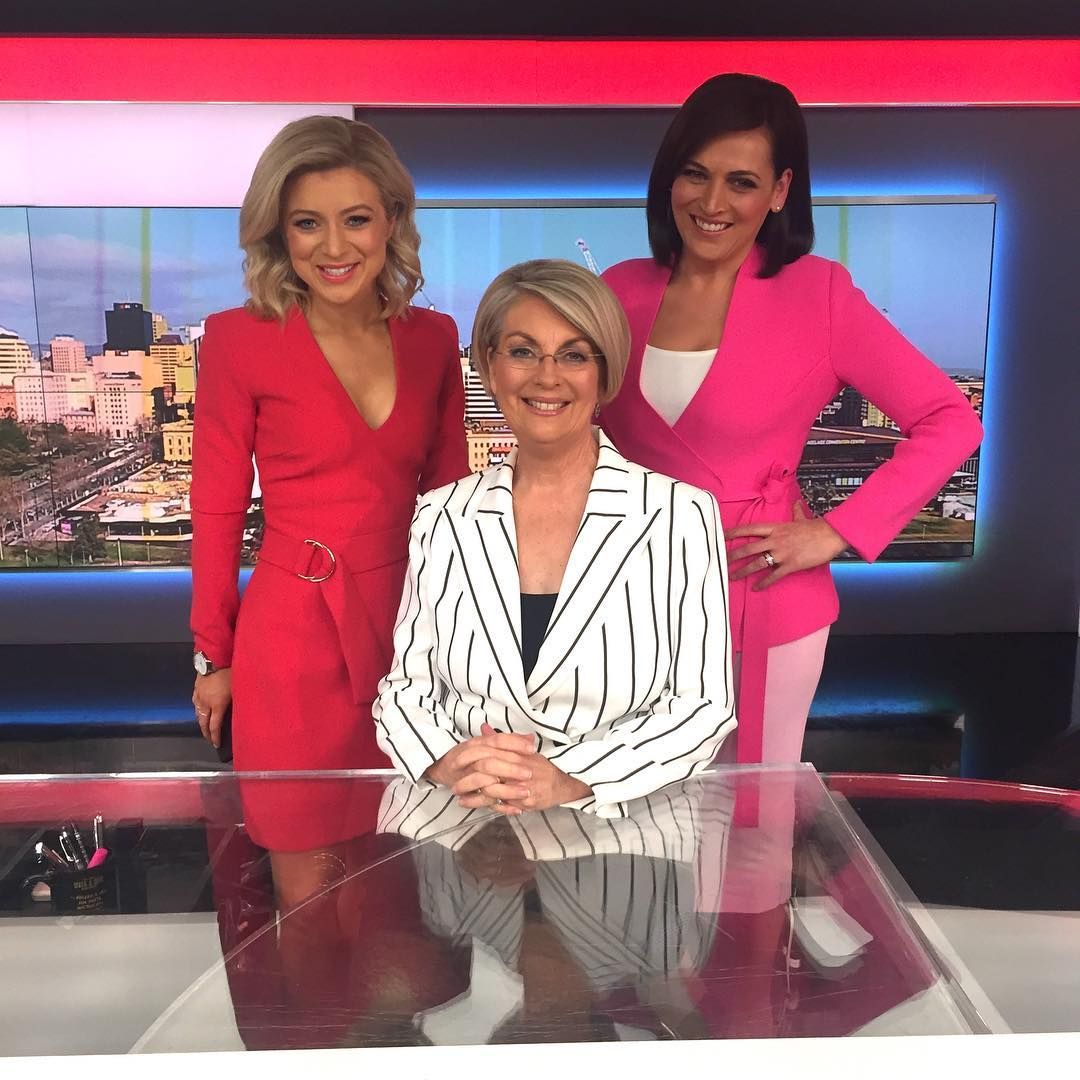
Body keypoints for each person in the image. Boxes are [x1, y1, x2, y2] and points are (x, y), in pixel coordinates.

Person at [599, 73, 984, 766]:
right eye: (695, 174)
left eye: (741, 182)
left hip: (760, 590)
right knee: (632, 799)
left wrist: (835, 531)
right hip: (629, 595)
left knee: (754, 807)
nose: (712, 203)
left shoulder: (819, 293)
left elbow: (950, 419)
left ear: (779, 191)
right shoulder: (617, 289)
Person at [190, 116, 468, 864]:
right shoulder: (238, 339)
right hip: (290, 639)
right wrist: (214, 657)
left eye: (356, 220)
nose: (334, 247)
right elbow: (216, 509)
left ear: (392, 221)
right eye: (307, 223)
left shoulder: (435, 338)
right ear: (279, 232)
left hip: (414, 635)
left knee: (408, 877)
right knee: (304, 879)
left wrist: (468, 644)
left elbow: (452, 503)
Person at [373, 259, 736, 818]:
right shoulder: (441, 515)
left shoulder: (679, 515)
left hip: (622, 834)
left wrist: (570, 780)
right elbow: (406, 692)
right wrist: (450, 762)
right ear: (490, 367)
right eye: (523, 351)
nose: (547, 377)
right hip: (469, 832)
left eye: (574, 355)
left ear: (604, 374)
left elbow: (703, 706)